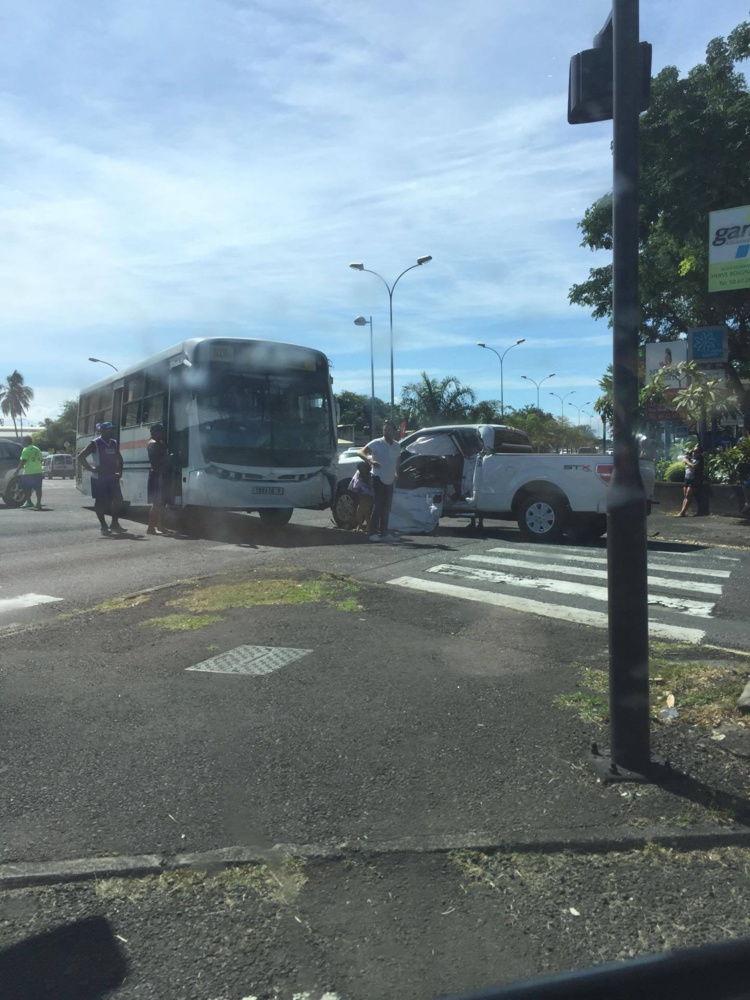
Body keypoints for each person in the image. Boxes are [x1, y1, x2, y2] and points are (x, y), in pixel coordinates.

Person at [77, 421, 126, 535]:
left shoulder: (113, 443)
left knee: (118, 500)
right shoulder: (95, 443)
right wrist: (91, 468)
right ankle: (103, 526)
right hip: (99, 478)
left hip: (112, 477)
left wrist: (120, 472)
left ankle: (115, 523)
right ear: (102, 431)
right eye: (109, 429)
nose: (111, 431)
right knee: (100, 502)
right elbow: (80, 457)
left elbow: (119, 458)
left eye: (112, 429)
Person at [358, 419, 401, 542]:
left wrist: (397, 472)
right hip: (378, 477)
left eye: (389, 429)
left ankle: (384, 533)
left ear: (394, 431)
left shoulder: (397, 445)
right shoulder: (377, 442)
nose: (386, 432)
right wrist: (370, 460)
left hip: (389, 478)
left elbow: (397, 459)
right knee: (378, 505)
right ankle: (373, 533)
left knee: (387, 507)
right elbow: (360, 452)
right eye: (384, 429)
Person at [146, 422, 172, 535]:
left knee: (162, 503)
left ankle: (160, 525)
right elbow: (158, 460)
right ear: (155, 433)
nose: (163, 434)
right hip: (158, 475)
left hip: (161, 474)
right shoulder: (153, 444)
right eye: (160, 432)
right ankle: (150, 527)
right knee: (157, 503)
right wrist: (169, 458)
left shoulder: (159, 443)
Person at [15, 436, 45, 510]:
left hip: (29, 472)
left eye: (23, 442)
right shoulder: (37, 449)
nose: (22, 443)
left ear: (26, 442)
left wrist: (17, 470)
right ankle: (38, 503)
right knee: (38, 488)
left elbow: (23, 461)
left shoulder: (26, 449)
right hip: (38, 471)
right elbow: (41, 460)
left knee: (25, 487)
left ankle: (29, 501)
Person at [676, 444, 704, 517]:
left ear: (699, 453)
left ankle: (682, 512)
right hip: (687, 478)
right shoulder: (690, 458)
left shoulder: (700, 460)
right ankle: (682, 511)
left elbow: (693, 466)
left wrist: (687, 461)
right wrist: (687, 458)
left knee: (688, 495)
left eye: (696, 452)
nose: (694, 453)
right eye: (693, 451)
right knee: (685, 496)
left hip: (694, 479)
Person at [348, 461, 373, 534]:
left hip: (360, 484)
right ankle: (367, 526)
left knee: (362, 504)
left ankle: (360, 526)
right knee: (366, 505)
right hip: (363, 485)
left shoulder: (364, 463)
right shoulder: (366, 467)